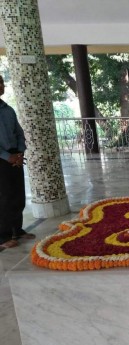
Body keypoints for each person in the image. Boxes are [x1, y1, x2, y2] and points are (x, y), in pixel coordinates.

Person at [0, 74, 35, 250]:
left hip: (16, 157)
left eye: (1, 83)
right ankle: (3, 237)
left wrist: (20, 152)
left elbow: (19, 133)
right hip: (2, 160)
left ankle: (16, 230)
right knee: (4, 198)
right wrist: (7, 156)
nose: (0, 86)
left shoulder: (8, 110)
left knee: (18, 195)